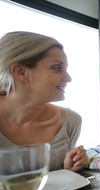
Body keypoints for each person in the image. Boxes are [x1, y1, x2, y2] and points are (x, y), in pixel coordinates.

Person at [0, 31, 89, 171]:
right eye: (57, 68)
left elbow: (60, 178)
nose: (68, 78)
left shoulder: (71, 121)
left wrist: (68, 168)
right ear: (20, 71)